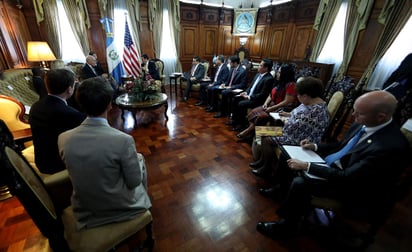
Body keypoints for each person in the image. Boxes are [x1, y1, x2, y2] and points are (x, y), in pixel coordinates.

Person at [256, 90, 409, 239]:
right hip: (337, 167)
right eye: (354, 111)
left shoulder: (389, 147)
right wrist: (315, 146)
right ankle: (280, 190)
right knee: (287, 152)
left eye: (358, 113)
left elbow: (348, 178)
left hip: (354, 188)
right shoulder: (365, 122)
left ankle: (286, 227)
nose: (353, 115)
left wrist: (307, 166)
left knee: (300, 182)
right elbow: (341, 145)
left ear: (381, 117)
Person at [58, 76, 151, 229]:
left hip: (84, 210)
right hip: (119, 209)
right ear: (109, 105)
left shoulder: (63, 138)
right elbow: (134, 182)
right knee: (140, 159)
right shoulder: (123, 140)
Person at [250, 77, 329, 178]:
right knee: (259, 131)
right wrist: (288, 114)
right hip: (292, 133)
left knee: (266, 139)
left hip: (300, 139)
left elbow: (292, 128)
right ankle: (261, 159)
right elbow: (297, 115)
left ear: (305, 96)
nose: (298, 98)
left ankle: (266, 166)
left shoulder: (316, 112)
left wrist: (285, 121)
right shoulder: (311, 102)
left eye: (299, 96)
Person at [29, 68, 86, 174]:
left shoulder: (35, 106)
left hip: (42, 162)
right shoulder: (71, 114)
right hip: (59, 166)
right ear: (70, 89)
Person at [237, 63, 298, 139]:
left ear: (285, 74)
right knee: (254, 112)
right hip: (271, 105)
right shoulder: (279, 82)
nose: (277, 74)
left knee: (260, 117)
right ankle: (251, 134)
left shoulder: (291, 85)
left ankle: (249, 133)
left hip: (281, 109)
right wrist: (265, 103)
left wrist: (272, 108)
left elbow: (287, 101)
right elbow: (270, 95)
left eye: (279, 72)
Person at [230, 59, 275, 132]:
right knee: (235, 98)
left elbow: (263, 94)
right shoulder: (258, 75)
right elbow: (250, 87)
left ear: (266, 68)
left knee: (241, 104)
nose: (258, 67)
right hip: (249, 96)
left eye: (260, 65)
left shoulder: (269, 79)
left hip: (257, 100)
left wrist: (249, 97)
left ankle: (241, 124)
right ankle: (235, 120)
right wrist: (245, 93)